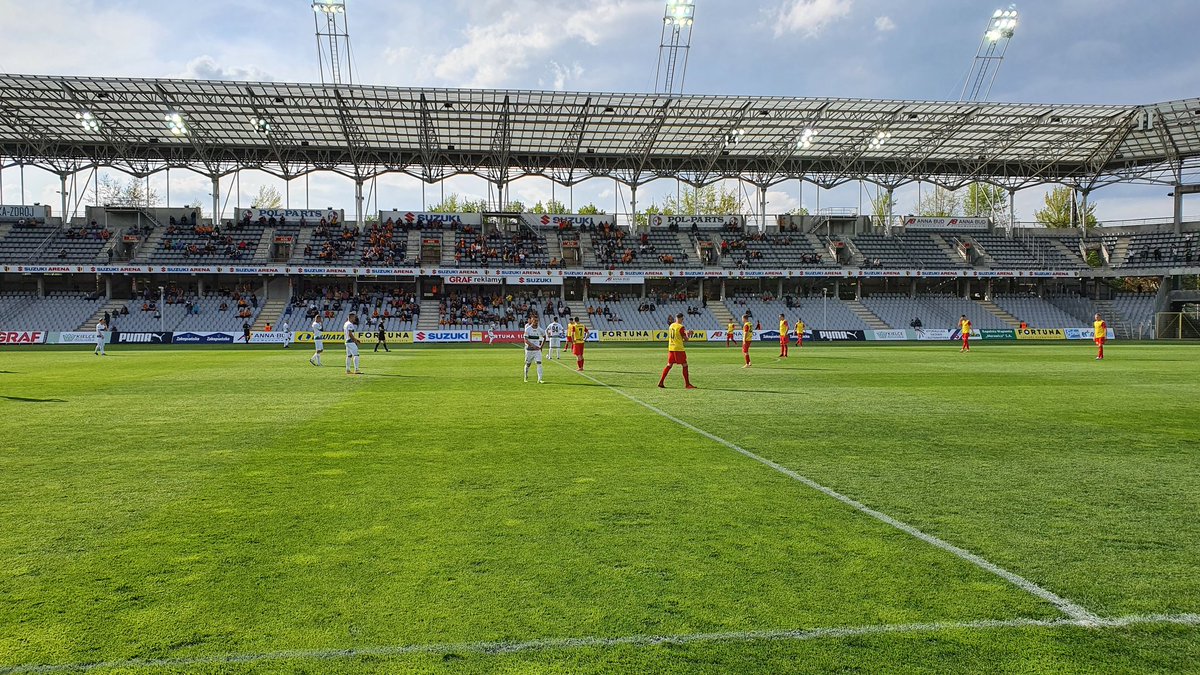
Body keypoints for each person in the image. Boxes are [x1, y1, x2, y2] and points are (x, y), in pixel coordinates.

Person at [658, 313, 696, 389]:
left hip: (671, 348)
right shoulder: (681, 327)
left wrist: (685, 333)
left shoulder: (671, 326)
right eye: (682, 319)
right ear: (681, 318)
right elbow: (686, 339)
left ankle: (661, 382)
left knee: (669, 365)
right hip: (678, 349)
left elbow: (677, 336)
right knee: (685, 365)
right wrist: (689, 334)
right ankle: (687, 384)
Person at [523, 315, 547, 384]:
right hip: (529, 350)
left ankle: (540, 379)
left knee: (539, 363)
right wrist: (533, 346)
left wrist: (541, 347)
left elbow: (544, 337)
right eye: (534, 321)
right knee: (528, 364)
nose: (536, 322)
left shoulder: (540, 329)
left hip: (537, 350)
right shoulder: (528, 329)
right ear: (532, 321)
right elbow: (525, 340)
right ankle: (525, 376)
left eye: (537, 321)